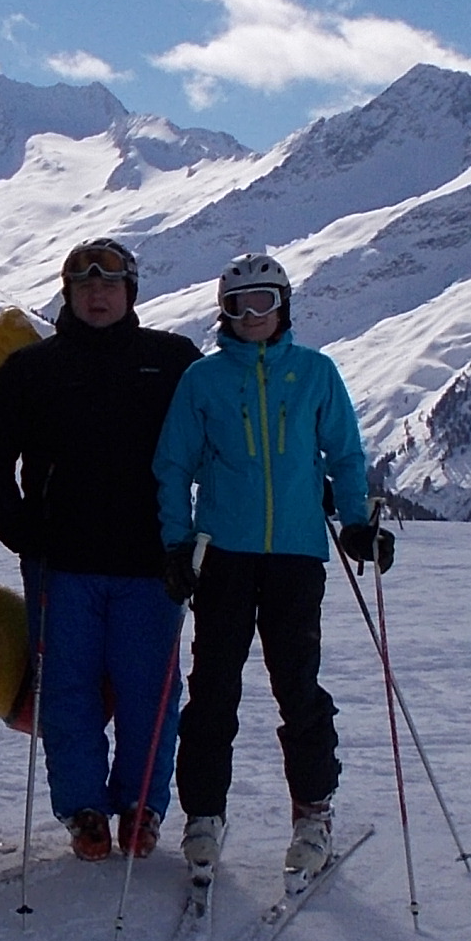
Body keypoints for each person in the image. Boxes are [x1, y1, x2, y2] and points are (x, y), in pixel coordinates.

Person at [150, 252, 389, 880]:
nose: (252, 316)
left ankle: (313, 812)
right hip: (223, 556)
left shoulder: (315, 372)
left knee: (298, 687)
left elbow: (344, 452)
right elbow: (174, 465)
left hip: (296, 555)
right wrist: (178, 544)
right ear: (222, 313)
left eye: (264, 303)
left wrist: (359, 522)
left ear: (284, 307)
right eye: (238, 305)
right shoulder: (203, 381)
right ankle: (204, 814)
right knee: (213, 690)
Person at [0, 236, 198, 862]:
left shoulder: (172, 360)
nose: (98, 294)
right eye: (85, 285)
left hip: (152, 564)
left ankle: (142, 808)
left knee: (150, 691)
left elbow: (218, 441)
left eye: (110, 284)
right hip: (60, 564)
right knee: (68, 694)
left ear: (130, 292)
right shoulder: (33, 369)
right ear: (69, 294)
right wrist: (19, 529)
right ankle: (84, 809)